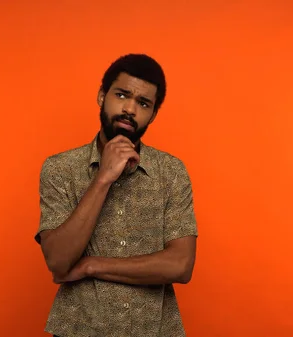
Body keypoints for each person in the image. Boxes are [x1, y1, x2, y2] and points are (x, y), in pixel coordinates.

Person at [34, 53, 198, 337]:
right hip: (78, 330)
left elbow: (180, 265)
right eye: (122, 95)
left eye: (143, 103)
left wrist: (90, 266)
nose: (130, 109)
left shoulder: (171, 171)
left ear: (153, 114)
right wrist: (103, 178)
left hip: (155, 331)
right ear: (101, 96)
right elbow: (58, 261)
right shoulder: (59, 168)